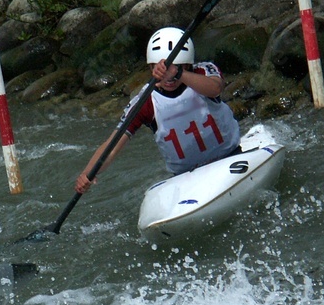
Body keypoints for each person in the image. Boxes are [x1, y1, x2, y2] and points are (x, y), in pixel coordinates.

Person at [75, 26, 242, 194]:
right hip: (186, 177)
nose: (168, 77)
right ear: (151, 68)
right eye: (162, 69)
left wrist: (179, 74)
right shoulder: (145, 101)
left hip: (229, 156)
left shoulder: (203, 71)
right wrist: (88, 173)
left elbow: (215, 88)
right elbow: (112, 145)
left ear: (187, 65)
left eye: (176, 67)